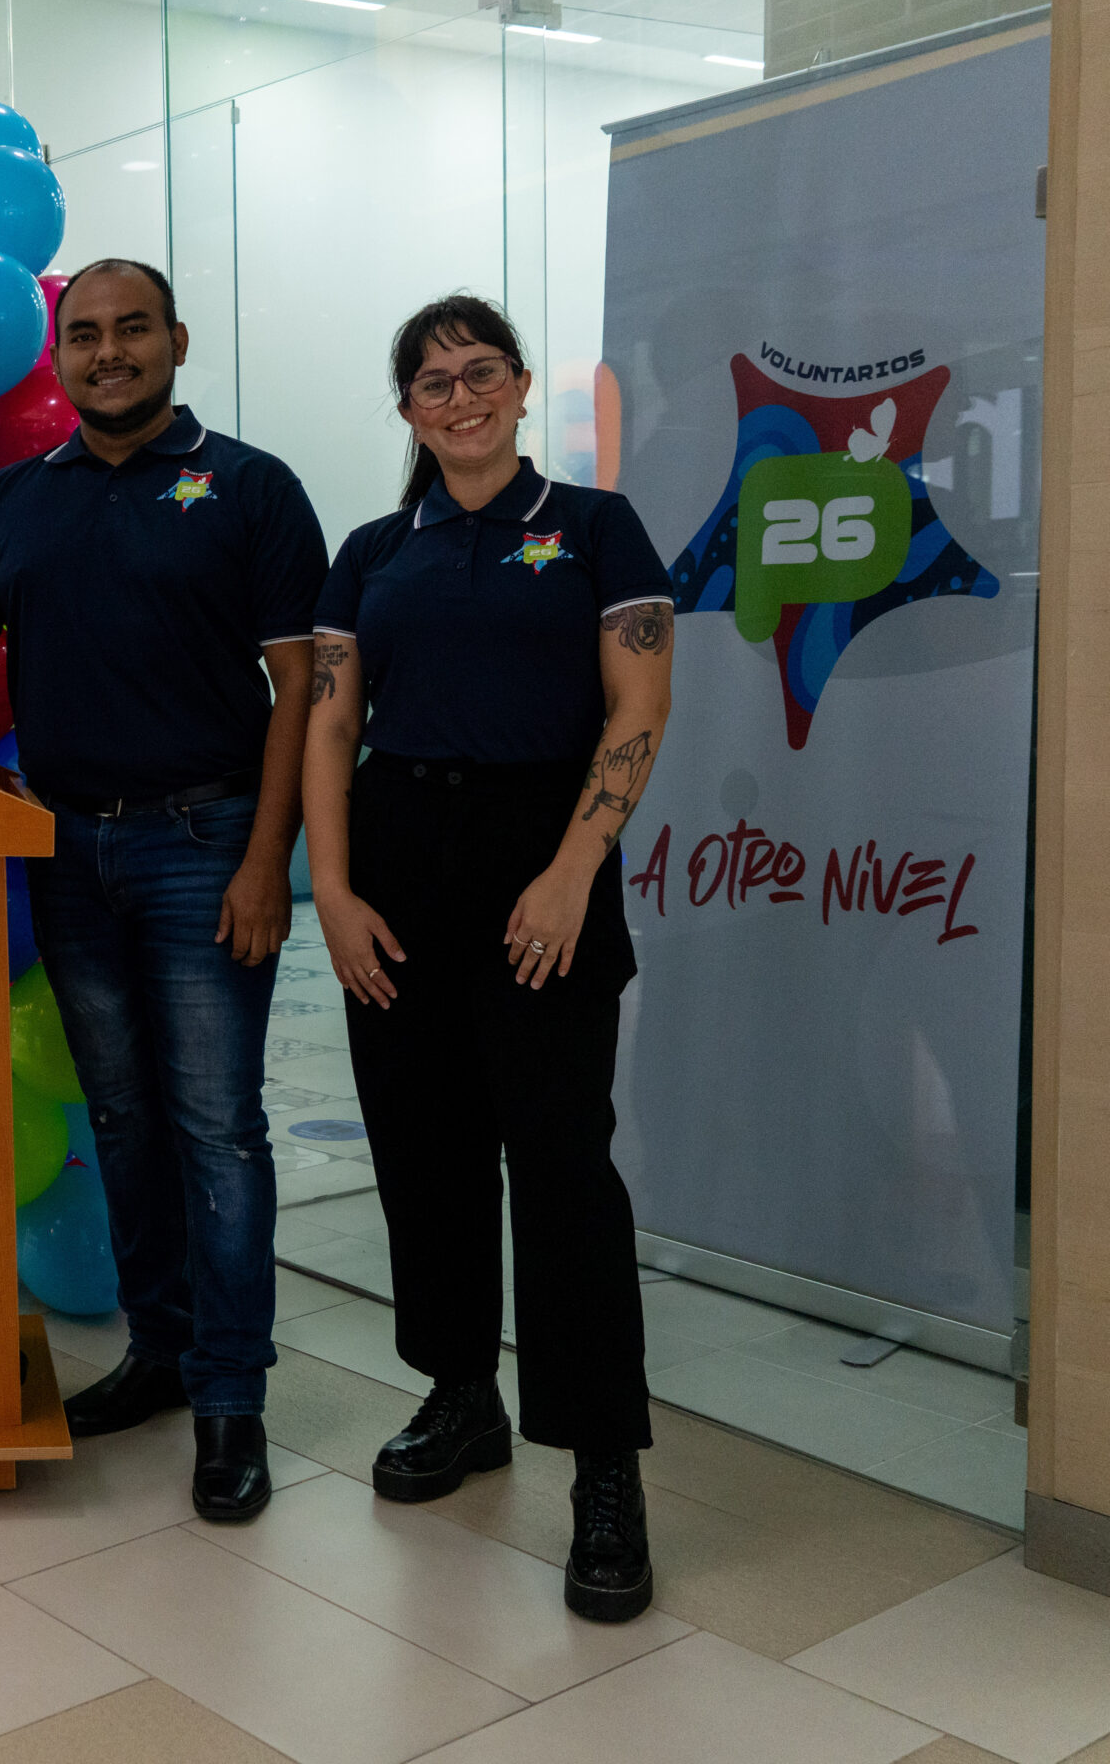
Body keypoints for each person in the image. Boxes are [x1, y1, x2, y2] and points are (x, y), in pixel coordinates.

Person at [0, 259, 327, 1524]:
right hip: (68, 856)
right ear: (60, 357)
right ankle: (160, 1352)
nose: (108, 352)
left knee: (216, 1127)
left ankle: (230, 1397)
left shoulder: (249, 487)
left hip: (206, 848)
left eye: (131, 329)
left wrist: (266, 860)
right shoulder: (13, 501)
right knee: (125, 1121)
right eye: (84, 334)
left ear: (175, 342)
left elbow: (304, 690)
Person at [302, 293, 673, 1623]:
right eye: (430, 382)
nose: (457, 398)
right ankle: (462, 1396)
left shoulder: (593, 524)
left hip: (541, 857)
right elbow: (329, 727)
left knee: (563, 1167)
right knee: (424, 1150)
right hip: (399, 862)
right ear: (407, 410)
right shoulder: (371, 551)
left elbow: (638, 703)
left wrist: (571, 873)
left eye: (478, 373)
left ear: (519, 387)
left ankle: (604, 1467)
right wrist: (331, 891)